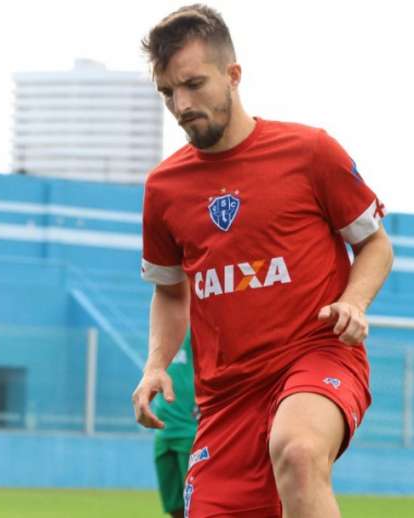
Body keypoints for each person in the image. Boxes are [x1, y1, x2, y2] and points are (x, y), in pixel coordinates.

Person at [131, 4, 394, 518]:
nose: (181, 104)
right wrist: (156, 364)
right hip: (226, 399)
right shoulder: (163, 189)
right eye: (168, 92)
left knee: (297, 451)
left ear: (233, 75)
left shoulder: (310, 152)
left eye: (193, 84)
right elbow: (169, 289)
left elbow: (376, 245)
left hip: (315, 356)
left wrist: (354, 302)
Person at [152, 331, 197, 518]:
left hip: (190, 430)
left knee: (196, 505)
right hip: (163, 431)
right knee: (174, 506)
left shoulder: (197, 329)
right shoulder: (159, 334)